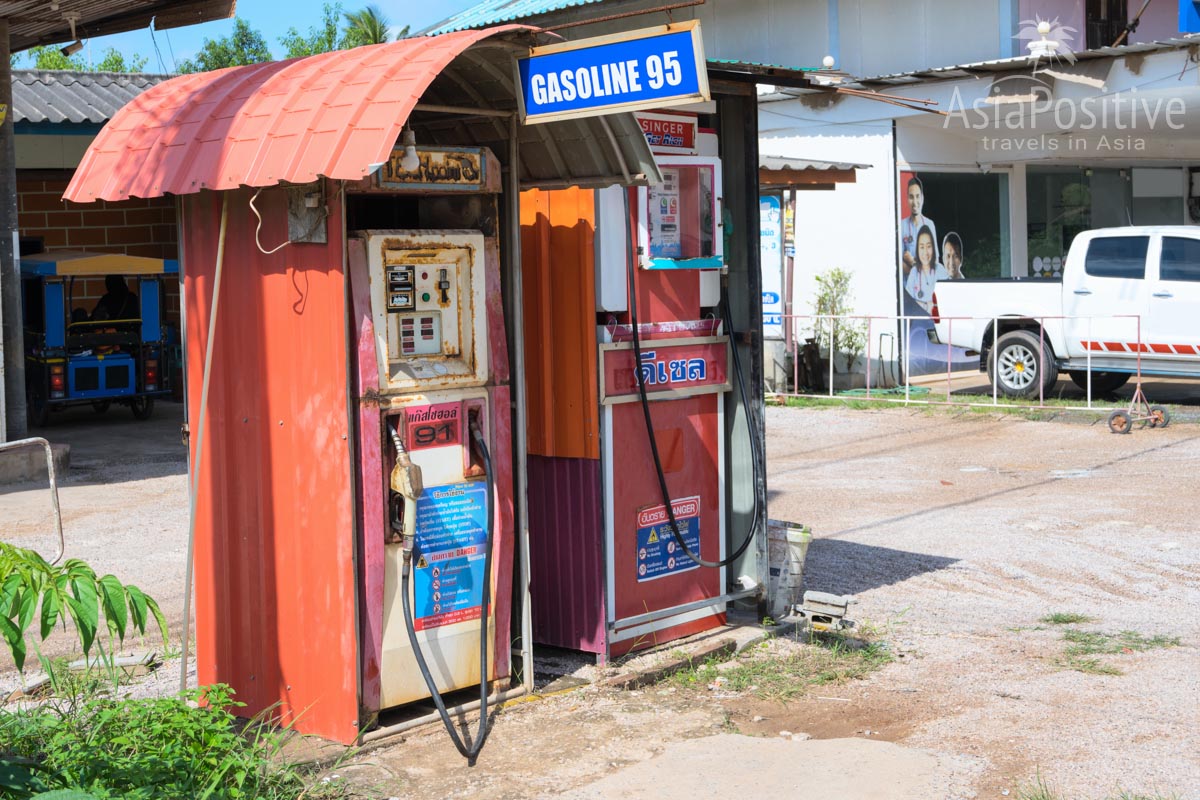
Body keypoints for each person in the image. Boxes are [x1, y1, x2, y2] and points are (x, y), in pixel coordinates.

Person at [905, 225, 948, 314]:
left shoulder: (940, 270)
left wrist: (920, 304)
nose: (925, 252)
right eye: (922, 247)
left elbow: (946, 301)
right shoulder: (914, 272)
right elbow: (908, 302)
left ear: (933, 248)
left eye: (928, 246)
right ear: (917, 249)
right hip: (918, 322)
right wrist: (927, 306)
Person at [900, 177, 938, 278]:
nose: (915, 201)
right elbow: (898, 263)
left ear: (922, 198)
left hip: (926, 288)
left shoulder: (930, 225)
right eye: (911, 197)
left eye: (917, 196)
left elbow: (934, 262)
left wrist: (911, 262)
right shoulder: (901, 226)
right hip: (906, 289)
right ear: (907, 199)